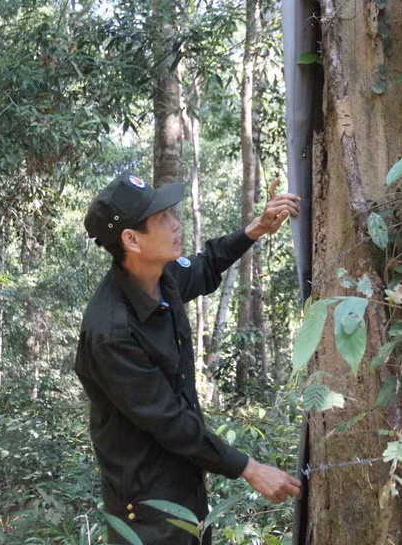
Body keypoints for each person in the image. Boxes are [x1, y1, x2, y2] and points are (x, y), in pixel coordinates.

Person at [74, 172, 302, 544]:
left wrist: (255, 229)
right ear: (131, 240)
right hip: (146, 511)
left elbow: (206, 265)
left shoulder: (162, 277)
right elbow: (168, 420)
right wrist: (249, 468)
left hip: (185, 488)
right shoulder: (112, 332)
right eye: (162, 219)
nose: (176, 223)